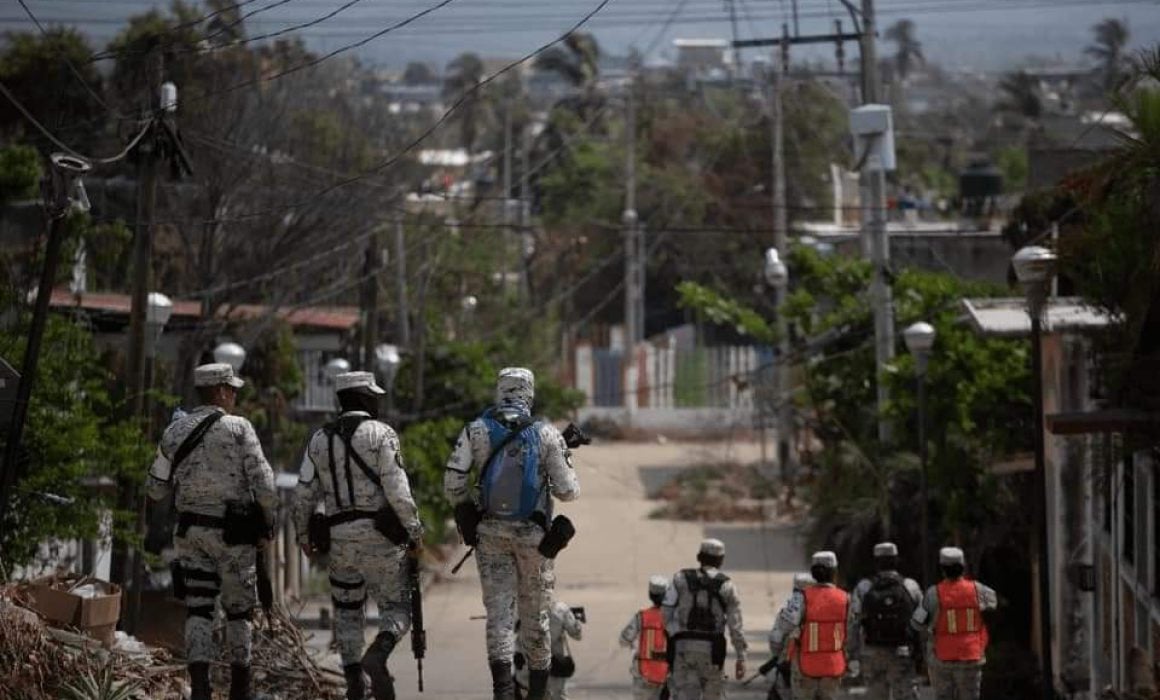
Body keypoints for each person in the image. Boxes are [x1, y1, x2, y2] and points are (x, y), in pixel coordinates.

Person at [444, 367, 580, 700]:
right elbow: (568, 492)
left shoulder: (476, 429)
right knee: (535, 618)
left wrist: (465, 511)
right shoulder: (546, 433)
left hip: (489, 535)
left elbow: (452, 482)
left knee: (500, 616)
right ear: (529, 393)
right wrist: (563, 459)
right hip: (534, 540)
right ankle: (535, 694)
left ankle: (503, 692)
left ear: (500, 390)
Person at [146, 363, 277, 700]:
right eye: (231, 389)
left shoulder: (175, 431)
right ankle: (239, 688)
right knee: (239, 612)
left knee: (199, 609)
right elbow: (265, 484)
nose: (234, 395)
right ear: (219, 391)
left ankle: (201, 687)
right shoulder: (239, 428)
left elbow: (155, 489)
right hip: (234, 536)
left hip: (190, 533)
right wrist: (268, 520)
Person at [293, 371, 423, 700]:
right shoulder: (382, 434)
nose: (378, 400)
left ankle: (355, 684)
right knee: (397, 608)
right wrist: (415, 532)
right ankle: (377, 655)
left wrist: (303, 535)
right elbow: (399, 492)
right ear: (364, 398)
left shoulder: (318, 439)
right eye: (373, 395)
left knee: (348, 611)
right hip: (380, 538)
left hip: (338, 540)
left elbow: (303, 494)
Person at [662, 538, 748, 700]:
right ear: (721, 560)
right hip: (713, 652)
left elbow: (664, 615)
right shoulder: (727, 585)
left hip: (682, 648)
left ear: (698, 557)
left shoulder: (679, 579)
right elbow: (735, 625)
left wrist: (664, 646)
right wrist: (741, 657)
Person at [911, 547, 998, 700]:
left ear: (942, 569)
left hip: (942, 658)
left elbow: (917, 623)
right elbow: (994, 606)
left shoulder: (933, 593)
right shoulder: (978, 590)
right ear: (963, 567)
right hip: (971, 655)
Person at [768, 552, 850, 700]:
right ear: (835, 572)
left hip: (804, 668)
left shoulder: (801, 598)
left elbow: (778, 634)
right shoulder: (845, 598)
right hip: (833, 668)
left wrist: (779, 655)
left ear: (813, 572)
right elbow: (853, 632)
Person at [848, 542, 922, 700]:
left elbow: (853, 622)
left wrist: (852, 654)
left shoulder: (864, 587)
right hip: (902, 652)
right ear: (896, 560)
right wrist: (921, 652)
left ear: (876, 562)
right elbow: (923, 622)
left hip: (872, 653)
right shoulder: (911, 586)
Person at [516, 596, 584, 700]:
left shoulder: (521, 607)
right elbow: (577, 634)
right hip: (554, 667)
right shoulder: (561, 609)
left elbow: (509, 629)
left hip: (527, 666)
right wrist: (575, 620)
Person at [763, 572, 815, 698]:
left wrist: (778, 655)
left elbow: (776, 639)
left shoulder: (793, 607)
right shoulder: (824, 608)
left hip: (795, 664)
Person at [619, 575, 672, 700]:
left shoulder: (642, 617)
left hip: (644, 675)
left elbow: (624, 640)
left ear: (650, 594)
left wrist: (634, 647)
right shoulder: (675, 618)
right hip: (668, 677)